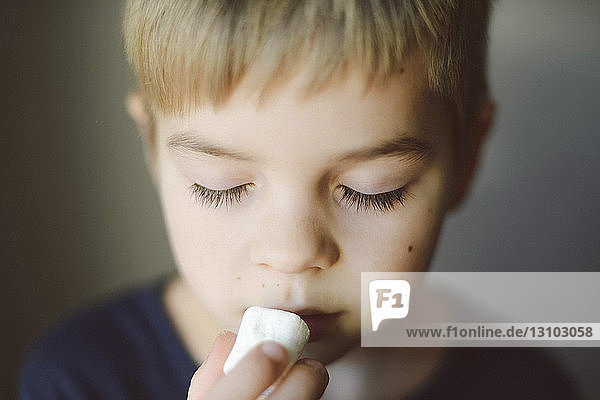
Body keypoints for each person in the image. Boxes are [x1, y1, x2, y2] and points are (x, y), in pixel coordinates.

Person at [19, 1, 579, 399]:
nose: (291, 255)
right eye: (223, 185)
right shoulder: (80, 377)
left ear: (468, 157)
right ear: (154, 152)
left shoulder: (526, 383)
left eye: (372, 191)